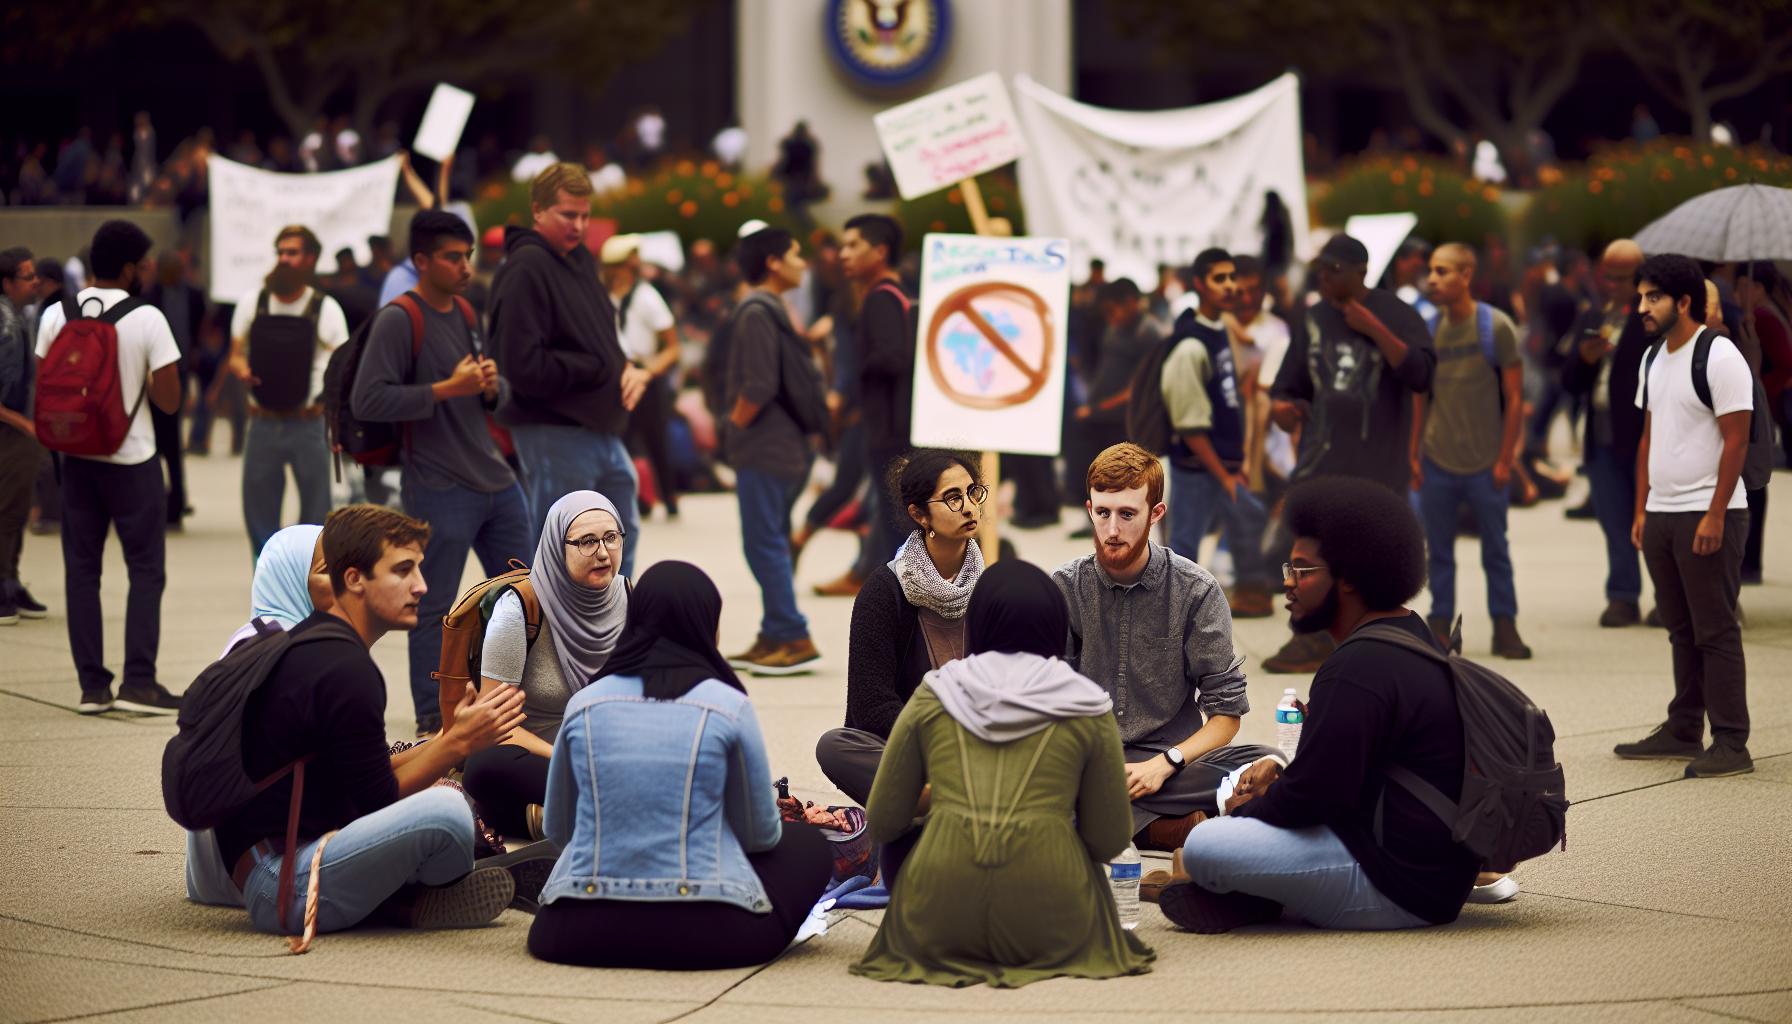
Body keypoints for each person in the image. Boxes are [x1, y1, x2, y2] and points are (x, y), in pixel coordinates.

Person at [1160, 476, 1479, 934]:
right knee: (1242, 818)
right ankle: (1251, 895)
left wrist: (1244, 809)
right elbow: (1348, 775)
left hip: (1396, 886)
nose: (1287, 585)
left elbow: (1312, 801)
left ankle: (1251, 894)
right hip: (1429, 872)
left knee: (1206, 845)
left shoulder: (1357, 667)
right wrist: (1280, 778)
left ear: (1350, 578)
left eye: (1302, 572)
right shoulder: (1409, 632)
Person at [213, 505, 547, 937]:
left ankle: (411, 897)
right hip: (285, 885)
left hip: (283, 866)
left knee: (449, 804)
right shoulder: (339, 668)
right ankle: (405, 901)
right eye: (403, 571)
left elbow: (360, 780)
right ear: (353, 580)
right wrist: (456, 744)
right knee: (447, 812)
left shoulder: (321, 648)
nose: (422, 587)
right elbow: (376, 799)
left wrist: (450, 736)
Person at [851, 559, 1154, 988]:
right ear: (1055, 625)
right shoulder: (1087, 705)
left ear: (978, 623)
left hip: (938, 914)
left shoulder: (936, 693)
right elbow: (1108, 838)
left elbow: (883, 818)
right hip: (1054, 913)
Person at [527, 560, 833, 969]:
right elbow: (759, 836)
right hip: (710, 933)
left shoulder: (584, 705)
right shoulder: (728, 706)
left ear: (633, 621)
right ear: (708, 625)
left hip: (573, 931)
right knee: (809, 845)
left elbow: (560, 830)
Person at [351, 210, 531, 735]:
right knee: (436, 609)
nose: (465, 266)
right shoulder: (399, 318)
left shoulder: (468, 313)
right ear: (421, 261)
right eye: (453, 257)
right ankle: (435, 716)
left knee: (525, 596)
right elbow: (369, 398)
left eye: (468, 255)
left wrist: (492, 388)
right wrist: (444, 391)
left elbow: (488, 399)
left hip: (497, 481)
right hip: (438, 482)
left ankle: (524, 703)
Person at [1052, 443, 1281, 852]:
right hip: (1088, 761)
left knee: (1267, 764)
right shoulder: (1066, 588)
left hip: (1175, 761)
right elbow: (1049, 704)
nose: (1112, 530)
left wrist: (1165, 764)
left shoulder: (1196, 591)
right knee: (1038, 778)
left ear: (1156, 514)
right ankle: (1168, 830)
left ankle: (1118, 823)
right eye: (1102, 513)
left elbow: (1226, 715)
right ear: (1089, 509)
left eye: (1127, 514)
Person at [1265, 233, 1436, 672]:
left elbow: (1421, 374)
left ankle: (1376, 642)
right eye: (1320, 269)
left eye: (1333, 270)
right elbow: (1290, 386)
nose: (1323, 278)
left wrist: (1373, 329)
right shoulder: (1314, 319)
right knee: (1309, 556)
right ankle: (1310, 638)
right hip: (1322, 462)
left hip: (1378, 463)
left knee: (1368, 560)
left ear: (1362, 272)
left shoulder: (1397, 314)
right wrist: (1284, 408)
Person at [35, 221, 184, 713]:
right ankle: (139, 682)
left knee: (81, 571)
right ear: (127, 268)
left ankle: (92, 688)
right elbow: (168, 401)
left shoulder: (58, 312)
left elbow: (45, 383)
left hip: (76, 461)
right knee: (145, 570)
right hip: (132, 459)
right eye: (142, 265)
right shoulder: (147, 318)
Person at [1614, 254, 1755, 779]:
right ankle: (1682, 727)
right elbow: (1650, 438)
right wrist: (1640, 509)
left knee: (1715, 630)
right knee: (1679, 628)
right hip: (1662, 514)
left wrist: (1716, 514)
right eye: (1641, 297)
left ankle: (1732, 742)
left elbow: (1736, 439)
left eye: (1653, 297)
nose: (1642, 307)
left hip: (1707, 511)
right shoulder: (1653, 358)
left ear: (1685, 302)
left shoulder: (1718, 356)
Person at [490, 163, 649, 575]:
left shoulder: (577, 260)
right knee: (566, 552)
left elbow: (602, 339)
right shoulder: (525, 268)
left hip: (600, 427)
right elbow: (522, 367)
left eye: (584, 215)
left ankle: (612, 634)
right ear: (538, 211)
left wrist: (627, 366)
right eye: (567, 215)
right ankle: (554, 638)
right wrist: (597, 368)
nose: (578, 225)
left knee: (620, 536)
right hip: (554, 429)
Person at [815, 451, 988, 803]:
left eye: (973, 492)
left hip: (984, 742)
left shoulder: (994, 584)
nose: (969, 507)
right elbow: (871, 708)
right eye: (953, 498)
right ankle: (951, 798)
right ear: (919, 514)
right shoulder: (885, 590)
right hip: (917, 747)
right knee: (835, 747)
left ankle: (932, 803)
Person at [459, 491, 630, 840]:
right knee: (485, 767)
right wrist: (567, 758)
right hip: (541, 757)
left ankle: (561, 820)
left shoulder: (631, 597)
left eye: (611, 538)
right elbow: (495, 724)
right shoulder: (519, 610)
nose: (602, 552)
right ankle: (608, 814)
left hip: (612, 751)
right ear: (556, 546)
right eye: (585, 541)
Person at [1411, 243, 1531, 659]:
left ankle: (1505, 625)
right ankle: (1439, 627)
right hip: (1437, 459)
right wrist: (1413, 454)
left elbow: (1515, 398)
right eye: (1430, 270)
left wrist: (1506, 458)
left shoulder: (1494, 327)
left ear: (1466, 274)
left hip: (1485, 463)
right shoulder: (1428, 329)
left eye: (1442, 271)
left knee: (1496, 549)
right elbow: (1419, 397)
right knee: (1438, 552)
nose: (1432, 279)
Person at [722, 227, 825, 676]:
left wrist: (734, 424)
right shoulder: (769, 310)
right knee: (773, 541)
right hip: (787, 446)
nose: (803, 263)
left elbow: (759, 386)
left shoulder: (754, 311)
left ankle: (790, 633)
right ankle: (774, 631)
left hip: (766, 447)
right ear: (772, 262)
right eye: (796, 254)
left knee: (762, 544)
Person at [1162, 248, 1276, 617]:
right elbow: (1189, 423)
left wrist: (1235, 463)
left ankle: (1251, 591)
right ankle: (1171, 616)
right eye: (1219, 279)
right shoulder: (1191, 343)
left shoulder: (1219, 329)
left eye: (1232, 277)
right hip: (1198, 466)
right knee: (1183, 548)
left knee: (1249, 516)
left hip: (1224, 463)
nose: (1230, 286)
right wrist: (1224, 473)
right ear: (1199, 284)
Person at [227, 224, 351, 558]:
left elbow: (342, 365)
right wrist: (242, 369)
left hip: (308, 424)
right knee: (258, 519)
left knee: (314, 524)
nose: (284, 259)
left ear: (310, 259)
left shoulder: (325, 309)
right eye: (280, 252)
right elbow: (235, 353)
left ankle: (306, 592)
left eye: (292, 253)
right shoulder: (254, 302)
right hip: (263, 424)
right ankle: (267, 591)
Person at [813, 213, 912, 596]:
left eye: (854, 245)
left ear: (881, 252)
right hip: (892, 428)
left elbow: (893, 357)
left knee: (895, 531)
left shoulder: (880, 299)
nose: (844, 254)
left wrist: (856, 377)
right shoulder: (893, 295)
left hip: (888, 431)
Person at [1562, 240, 1651, 627]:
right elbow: (1568, 380)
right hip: (1600, 434)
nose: (1612, 284)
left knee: (1654, 522)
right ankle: (1623, 595)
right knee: (1613, 520)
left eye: (1622, 278)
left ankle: (1667, 597)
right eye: (1608, 276)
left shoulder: (1650, 318)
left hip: (1641, 433)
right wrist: (1585, 358)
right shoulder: (1594, 316)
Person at [601, 234, 683, 519]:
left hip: (644, 374)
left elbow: (673, 348)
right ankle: (631, 502)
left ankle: (669, 499)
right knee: (618, 441)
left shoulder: (647, 296)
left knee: (655, 440)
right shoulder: (600, 298)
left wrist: (649, 371)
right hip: (614, 375)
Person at [1071, 279, 1159, 532]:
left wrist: (1100, 408)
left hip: (1122, 420)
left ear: (1130, 302)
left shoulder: (1148, 332)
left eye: (1113, 310)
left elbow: (1140, 388)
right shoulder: (1115, 328)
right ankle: (1093, 517)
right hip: (1099, 416)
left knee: (1119, 477)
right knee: (1091, 470)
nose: (1111, 317)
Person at [1732, 262, 1791, 585]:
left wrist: (1756, 389)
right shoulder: (1761, 316)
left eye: (1743, 286)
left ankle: (1751, 562)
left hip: (1764, 407)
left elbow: (1784, 364)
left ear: (1758, 289)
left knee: (1754, 485)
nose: (1738, 293)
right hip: (1763, 405)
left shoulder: (1765, 318)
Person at [0, 247, 46, 625]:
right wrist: (22, 423)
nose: (35, 283)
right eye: (28, 277)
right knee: (7, 511)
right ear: (8, 283)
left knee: (16, 510)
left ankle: (11, 581)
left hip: (20, 428)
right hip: (10, 430)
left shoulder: (20, 317)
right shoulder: (4, 324)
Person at [143, 251, 203, 530]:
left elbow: (198, 328)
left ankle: (176, 503)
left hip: (180, 371)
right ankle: (156, 502)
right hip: (154, 374)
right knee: (155, 444)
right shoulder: (149, 296)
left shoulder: (193, 295)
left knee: (172, 445)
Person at [1226, 255, 1294, 495]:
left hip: (1264, 456)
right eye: (1239, 291)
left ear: (1264, 290)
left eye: (1253, 291)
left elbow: (1267, 401)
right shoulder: (1215, 328)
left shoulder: (1276, 333)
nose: (1246, 299)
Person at [220, 524, 330, 656]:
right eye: (325, 571)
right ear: (291, 579)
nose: (340, 581)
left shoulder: (244, 638)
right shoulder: (298, 651)